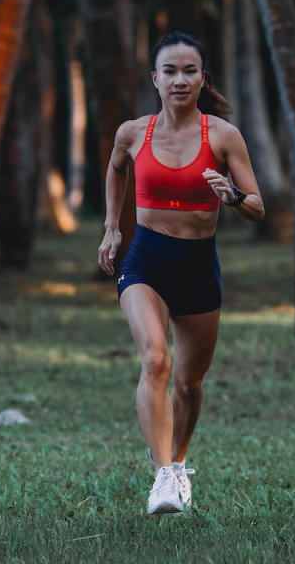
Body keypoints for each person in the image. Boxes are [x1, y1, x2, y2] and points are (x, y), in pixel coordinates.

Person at [98, 32, 265, 514]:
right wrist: (113, 228)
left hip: (198, 267)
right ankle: (163, 476)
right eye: (169, 71)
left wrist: (229, 194)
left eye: (189, 70)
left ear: (202, 78)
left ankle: (180, 463)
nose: (179, 79)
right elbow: (115, 169)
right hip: (145, 262)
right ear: (155, 79)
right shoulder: (133, 132)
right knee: (155, 360)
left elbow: (257, 208)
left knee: (189, 383)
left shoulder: (222, 136)